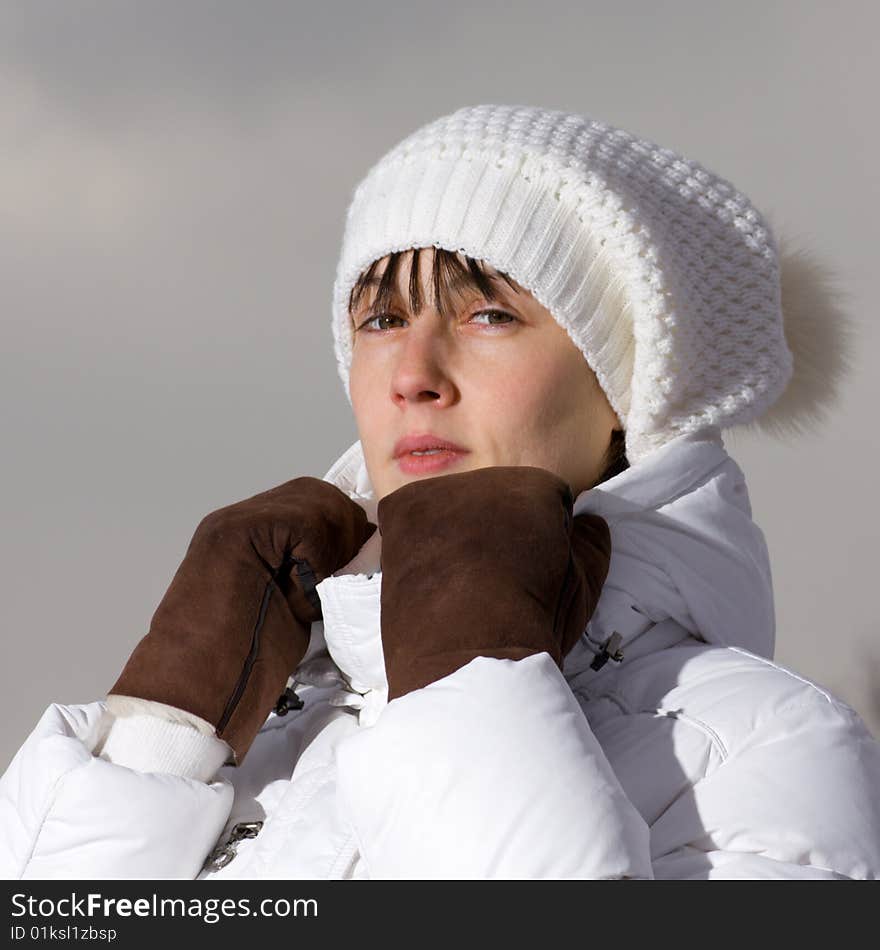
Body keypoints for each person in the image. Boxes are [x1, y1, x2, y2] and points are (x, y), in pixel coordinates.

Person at [2, 103, 878, 880]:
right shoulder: (255, 730)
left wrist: (470, 672)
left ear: (626, 389)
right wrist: (164, 725)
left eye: (488, 314)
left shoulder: (771, 746)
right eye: (381, 320)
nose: (412, 375)